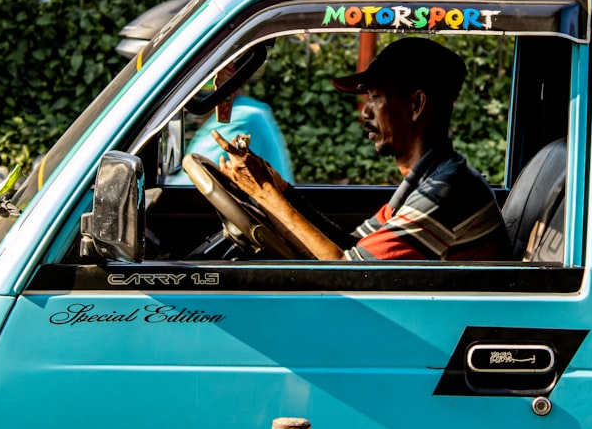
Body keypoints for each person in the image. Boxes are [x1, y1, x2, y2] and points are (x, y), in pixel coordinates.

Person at [213, 37, 511, 261]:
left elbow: (348, 272)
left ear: (416, 104)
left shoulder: (446, 192)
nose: (365, 112)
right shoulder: (428, 179)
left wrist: (264, 194)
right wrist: (281, 191)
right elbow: (352, 246)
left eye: (377, 97)